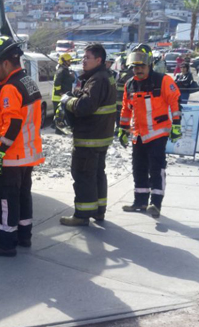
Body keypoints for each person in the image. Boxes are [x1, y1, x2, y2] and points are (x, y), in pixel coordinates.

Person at [0, 35, 44, 256]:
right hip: (27, 155)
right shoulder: (28, 82)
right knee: (23, 196)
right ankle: (24, 236)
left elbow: (13, 123)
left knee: (5, 199)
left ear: (6, 63)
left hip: (12, 156)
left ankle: (6, 243)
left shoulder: (9, 89)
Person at [118, 44, 182, 219]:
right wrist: (123, 129)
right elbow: (126, 109)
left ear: (150, 65)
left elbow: (175, 104)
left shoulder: (163, 81)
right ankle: (140, 202)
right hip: (138, 134)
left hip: (157, 133)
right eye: (135, 67)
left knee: (156, 168)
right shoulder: (130, 84)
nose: (138, 70)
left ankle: (156, 204)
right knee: (138, 168)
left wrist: (176, 124)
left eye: (141, 67)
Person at [58, 44, 117, 226]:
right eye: (83, 57)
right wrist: (79, 93)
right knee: (97, 173)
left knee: (83, 174)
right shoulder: (104, 77)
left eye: (87, 57)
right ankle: (99, 211)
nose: (83, 60)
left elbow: (85, 107)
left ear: (98, 60)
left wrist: (67, 100)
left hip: (89, 137)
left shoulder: (97, 80)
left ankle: (82, 215)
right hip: (101, 136)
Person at [51, 53, 75, 132]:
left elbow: (68, 82)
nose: (70, 62)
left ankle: (59, 129)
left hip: (63, 97)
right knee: (59, 115)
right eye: (68, 61)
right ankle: (58, 131)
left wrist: (72, 77)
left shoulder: (65, 70)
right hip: (58, 97)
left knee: (63, 115)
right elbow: (57, 83)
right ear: (63, 61)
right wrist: (60, 93)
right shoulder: (61, 71)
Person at [115, 56, 135, 129]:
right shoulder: (131, 73)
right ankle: (120, 128)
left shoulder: (125, 74)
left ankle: (120, 128)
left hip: (121, 98)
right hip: (122, 99)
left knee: (120, 114)